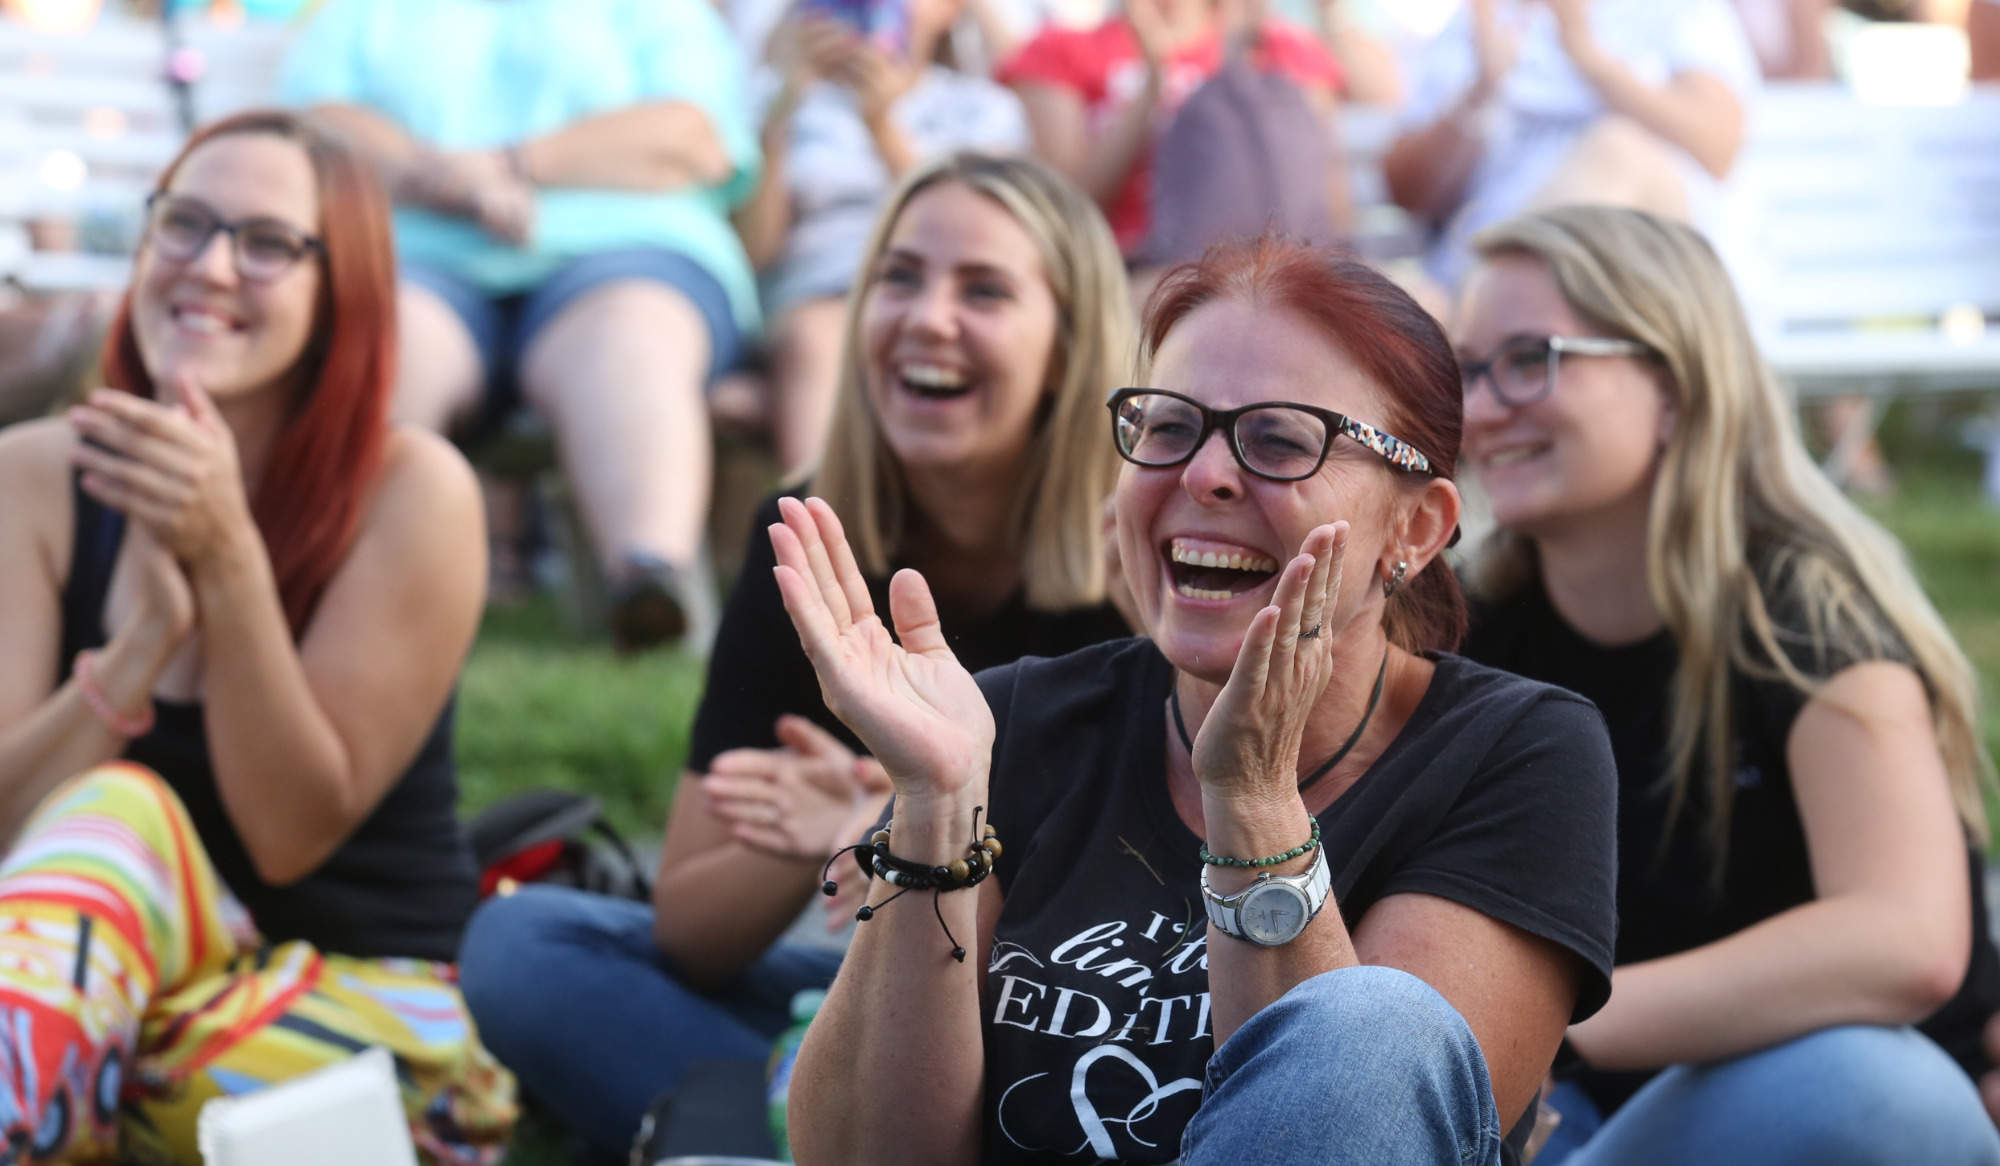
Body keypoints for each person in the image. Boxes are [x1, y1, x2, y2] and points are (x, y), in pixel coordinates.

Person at [762, 234, 1618, 1165]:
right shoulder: (1011, 724)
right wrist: (931, 811)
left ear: (1414, 527)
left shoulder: (1518, 753)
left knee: (1376, 1024)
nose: (1202, 473)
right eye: (1168, 427)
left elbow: (1384, 1122)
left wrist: (1251, 799)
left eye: (1280, 438)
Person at [456, 153, 1136, 1160]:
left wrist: (897, 830)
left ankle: (761, 1126)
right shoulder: (810, 541)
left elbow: (1131, 937)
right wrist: (845, 833)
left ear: (1068, 344)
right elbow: (690, 923)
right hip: (850, 1002)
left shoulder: (1138, 565)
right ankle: (796, 1120)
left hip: (1066, 1025)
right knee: (522, 945)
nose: (926, 317)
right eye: (898, 277)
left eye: (983, 289)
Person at [0, 111, 507, 1164]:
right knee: (110, 822)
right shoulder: (37, 477)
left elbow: (288, 831)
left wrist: (228, 562)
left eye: (267, 243)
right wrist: (138, 652)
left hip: (367, 1013)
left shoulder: (413, 492)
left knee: (115, 834)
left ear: (340, 295)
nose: (210, 266)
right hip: (109, 987)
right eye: (182, 224)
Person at [1454, 204, 2000, 1165]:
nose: (1486, 406)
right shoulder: (1475, 625)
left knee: (1879, 1093)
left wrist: (1548, 1025)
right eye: (1467, 368)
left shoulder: (1804, 613)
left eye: (1531, 357)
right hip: (1572, 1116)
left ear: (1674, 383)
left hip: (1817, 1111)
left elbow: (1905, 939)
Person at [281, 0, 761, 651]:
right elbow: (315, 129)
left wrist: (511, 165)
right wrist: (446, 178)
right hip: (417, 256)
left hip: (626, 248)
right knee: (396, 348)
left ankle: (650, 578)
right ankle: (359, 599)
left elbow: (692, 137)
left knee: (629, 339)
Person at [736, 0, 1030, 473]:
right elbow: (756, 249)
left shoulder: (985, 108)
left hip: (942, 292)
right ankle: (815, 528)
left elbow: (986, 233)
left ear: (951, 11)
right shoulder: (778, 99)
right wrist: (779, 118)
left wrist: (881, 127)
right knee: (818, 337)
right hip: (817, 297)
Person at [1384, 0, 1760, 291]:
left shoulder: (1675, 9)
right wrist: (1481, 91)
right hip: (1472, 270)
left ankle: (1498, 301)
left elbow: (1717, 145)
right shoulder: (1476, 21)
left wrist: (1588, 57)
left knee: (1617, 150)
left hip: (1643, 279)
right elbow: (1407, 194)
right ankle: (1495, 305)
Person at [998, 0, 1346, 261]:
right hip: (1130, 267)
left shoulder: (1278, 48)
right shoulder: (1059, 49)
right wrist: (1153, 83)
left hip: (1265, 264)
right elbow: (1066, 202)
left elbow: (1329, 202)